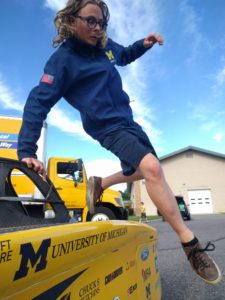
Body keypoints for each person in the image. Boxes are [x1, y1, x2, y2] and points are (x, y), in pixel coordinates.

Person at [17, 0, 221, 285]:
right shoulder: (62, 61)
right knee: (151, 167)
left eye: (102, 23)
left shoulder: (105, 45)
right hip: (105, 126)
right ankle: (191, 245)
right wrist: (27, 149)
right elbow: (38, 101)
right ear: (71, 20)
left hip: (128, 121)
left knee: (149, 171)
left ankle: (102, 183)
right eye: (90, 21)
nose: (97, 28)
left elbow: (123, 55)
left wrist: (144, 44)